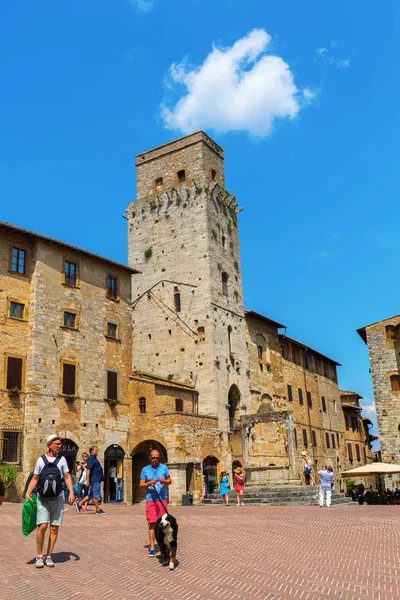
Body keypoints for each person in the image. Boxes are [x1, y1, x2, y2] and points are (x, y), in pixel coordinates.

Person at [25, 434, 74, 568]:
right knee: (43, 526)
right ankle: (39, 556)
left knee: (54, 528)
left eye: (60, 444)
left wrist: (71, 492)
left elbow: (67, 477)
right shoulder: (40, 460)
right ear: (49, 445)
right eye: (56, 444)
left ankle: (49, 555)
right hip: (43, 498)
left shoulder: (62, 460)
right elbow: (35, 478)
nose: (59, 446)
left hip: (58, 497)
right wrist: (28, 492)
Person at [139, 449, 171, 557]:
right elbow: (141, 485)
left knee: (163, 524)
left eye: (157, 458)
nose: (155, 460)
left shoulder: (164, 467)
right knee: (152, 523)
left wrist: (164, 481)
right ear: (149, 458)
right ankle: (152, 547)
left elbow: (169, 480)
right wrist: (149, 483)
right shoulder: (145, 470)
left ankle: (163, 546)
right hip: (150, 498)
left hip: (162, 498)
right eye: (153, 458)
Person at [75, 445, 106, 514]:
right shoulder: (91, 458)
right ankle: (98, 510)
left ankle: (79, 504)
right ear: (92, 451)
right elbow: (88, 470)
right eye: (96, 450)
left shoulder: (94, 458)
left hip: (96, 480)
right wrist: (87, 481)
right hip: (94, 480)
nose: (97, 451)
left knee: (90, 495)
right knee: (96, 495)